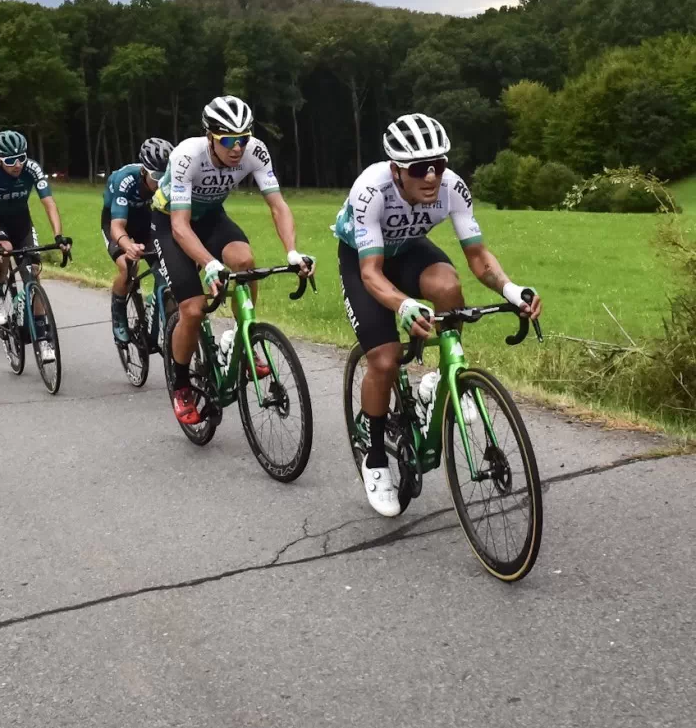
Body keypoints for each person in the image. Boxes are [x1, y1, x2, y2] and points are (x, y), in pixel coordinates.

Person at [334, 113, 542, 517]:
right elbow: (371, 273)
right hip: (366, 260)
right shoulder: (370, 191)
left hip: (410, 249)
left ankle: (441, 376)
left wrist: (512, 290)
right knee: (385, 357)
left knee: (449, 287)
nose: (431, 176)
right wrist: (404, 305)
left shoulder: (452, 189)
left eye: (439, 165)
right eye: (419, 169)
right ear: (397, 170)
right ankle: (376, 459)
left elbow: (478, 257)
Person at [152, 95, 313, 426]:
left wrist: (292, 251)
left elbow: (278, 205)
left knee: (245, 261)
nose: (237, 148)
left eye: (244, 138)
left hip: (210, 216)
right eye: (228, 140)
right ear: (210, 136)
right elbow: (181, 228)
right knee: (193, 309)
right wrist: (209, 264)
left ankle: (243, 338)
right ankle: (181, 384)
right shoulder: (187, 157)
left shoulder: (255, 152)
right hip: (171, 222)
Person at [0, 130, 71, 362]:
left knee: (33, 277)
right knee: (5, 251)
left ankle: (42, 337)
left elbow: (49, 203)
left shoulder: (32, 168)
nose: (17, 164)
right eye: (10, 161)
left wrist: (59, 235)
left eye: (21, 157)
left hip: (22, 222)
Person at [103, 138, 173, 343]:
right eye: (156, 176)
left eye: (165, 176)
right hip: (117, 221)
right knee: (127, 267)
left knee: (166, 268)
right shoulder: (125, 179)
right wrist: (128, 246)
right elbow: (117, 226)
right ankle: (118, 314)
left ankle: (158, 303)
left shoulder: (172, 180)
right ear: (144, 171)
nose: (161, 182)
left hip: (147, 220)